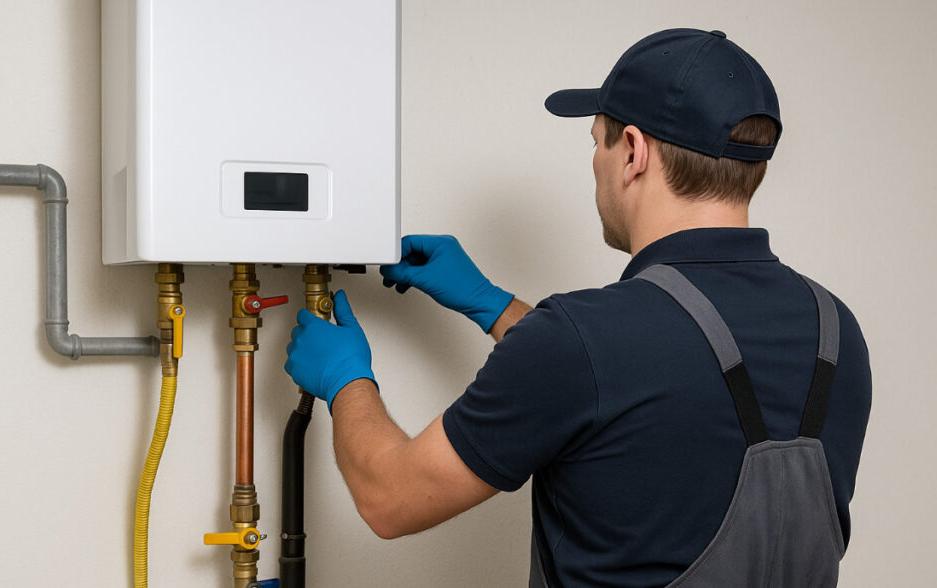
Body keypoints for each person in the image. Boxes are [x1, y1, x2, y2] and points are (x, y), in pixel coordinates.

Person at [285, 28, 870, 587]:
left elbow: (390, 499)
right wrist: (493, 305)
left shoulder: (581, 339)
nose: (596, 162)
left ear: (634, 151)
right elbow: (637, 382)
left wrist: (345, 379)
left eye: (597, 141)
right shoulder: (836, 329)